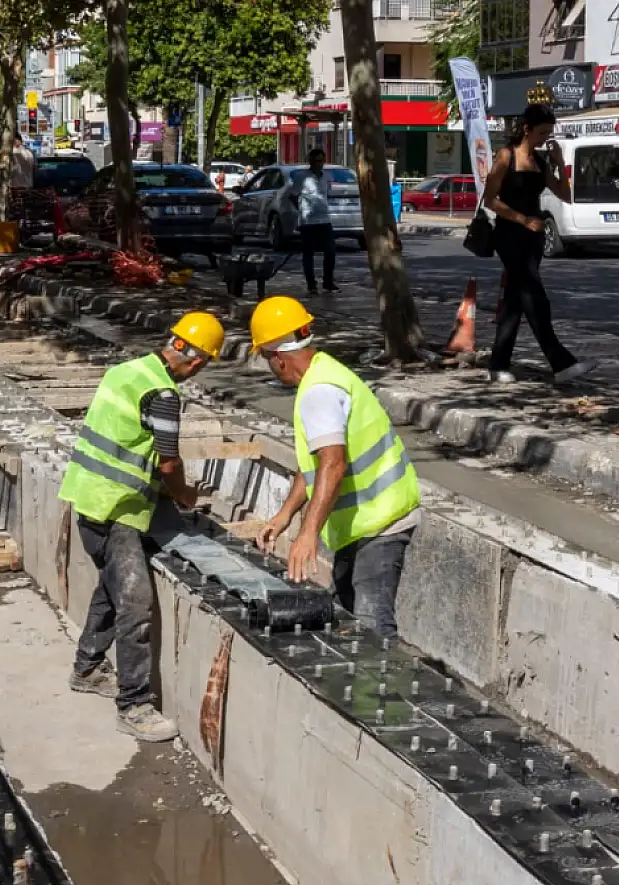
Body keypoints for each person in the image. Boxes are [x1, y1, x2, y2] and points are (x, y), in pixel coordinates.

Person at [59, 312, 225, 742]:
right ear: (198, 360)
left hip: (88, 498)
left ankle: (88, 668)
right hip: (118, 509)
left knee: (111, 587)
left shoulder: (126, 371)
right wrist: (184, 495)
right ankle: (133, 704)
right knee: (135, 603)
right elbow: (168, 461)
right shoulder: (164, 394)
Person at [252, 297, 420, 641]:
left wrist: (308, 533)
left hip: (380, 522)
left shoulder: (318, 392)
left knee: (372, 627)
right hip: (363, 521)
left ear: (279, 359)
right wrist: (285, 515)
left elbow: (333, 463)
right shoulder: (325, 371)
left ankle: (378, 691)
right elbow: (316, 464)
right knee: (344, 613)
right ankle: (361, 687)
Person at [479, 102, 591, 385]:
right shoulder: (506, 157)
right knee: (534, 295)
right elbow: (490, 199)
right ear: (526, 129)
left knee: (516, 301)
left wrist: (559, 162)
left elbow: (565, 195)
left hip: (533, 236)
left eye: (548, 135)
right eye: (541, 133)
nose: (544, 140)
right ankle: (561, 362)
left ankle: (498, 363)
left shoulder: (540, 163)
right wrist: (521, 219)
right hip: (510, 233)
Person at [293, 148, 339, 294]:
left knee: (330, 251)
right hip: (308, 222)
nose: (318, 164)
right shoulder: (302, 177)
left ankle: (328, 281)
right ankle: (311, 285)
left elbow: (328, 194)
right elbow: (292, 195)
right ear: (310, 162)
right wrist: (301, 210)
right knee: (308, 254)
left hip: (324, 219)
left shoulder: (327, 177)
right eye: (315, 161)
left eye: (321, 161)